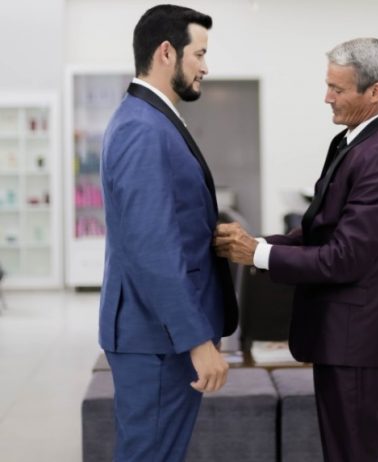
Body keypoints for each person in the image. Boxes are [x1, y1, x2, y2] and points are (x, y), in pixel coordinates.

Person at [214, 38, 378, 462]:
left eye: (337, 89)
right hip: (337, 335)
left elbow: (344, 257)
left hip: (355, 338)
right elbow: (317, 232)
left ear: (375, 92)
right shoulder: (349, 143)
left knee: (353, 452)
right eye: (328, 86)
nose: (327, 97)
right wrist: (257, 244)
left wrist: (259, 255)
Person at [99, 5, 238, 461]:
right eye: (199, 53)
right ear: (166, 53)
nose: (205, 66)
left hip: (159, 334)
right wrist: (196, 341)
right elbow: (152, 247)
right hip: (158, 340)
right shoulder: (141, 127)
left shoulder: (152, 119)